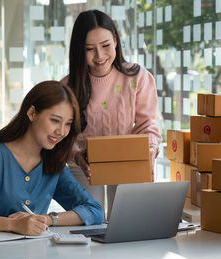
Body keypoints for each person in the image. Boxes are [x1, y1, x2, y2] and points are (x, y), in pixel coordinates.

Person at [0, 81, 104, 236]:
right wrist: (12, 224)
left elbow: (95, 210)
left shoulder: (54, 165)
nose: (61, 131)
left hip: (34, 255)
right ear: (32, 113)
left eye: (68, 124)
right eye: (55, 121)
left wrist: (46, 219)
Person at [62, 10, 161, 217]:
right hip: (83, 164)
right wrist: (75, 155)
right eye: (90, 49)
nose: (99, 56)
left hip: (126, 159)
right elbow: (62, 134)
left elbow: (147, 124)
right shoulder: (67, 86)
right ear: (79, 50)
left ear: (115, 40)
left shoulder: (138, 78)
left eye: (106, 45)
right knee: (91, 218)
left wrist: (150, 148)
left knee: (125, 220)